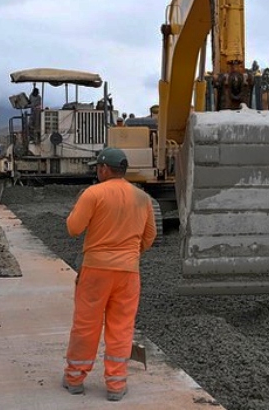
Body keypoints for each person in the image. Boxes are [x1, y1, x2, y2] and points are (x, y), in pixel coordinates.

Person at [62, 147, 157, 402]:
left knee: (86, 324)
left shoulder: (93, 193)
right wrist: (128, 254)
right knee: (121, 327)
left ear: (104, 169)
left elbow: (73, 228)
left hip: (95, 270)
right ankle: (116, 385)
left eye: (97, 167)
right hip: (128, 273)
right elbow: (149, 237)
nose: (97, 171)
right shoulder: (142, 198)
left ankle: (75, 379)